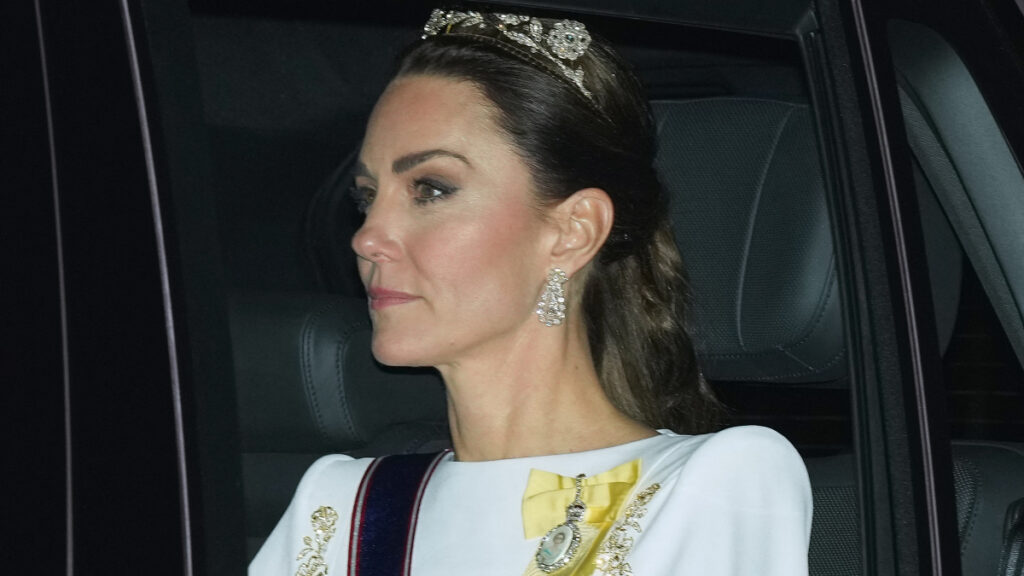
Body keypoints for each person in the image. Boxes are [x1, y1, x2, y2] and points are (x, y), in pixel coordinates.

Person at [250, 7, 811, 576]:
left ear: (572, 231)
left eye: (432, 189)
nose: (368, 237)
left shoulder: (712, 482)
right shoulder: (343, 504)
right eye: (369, 197)